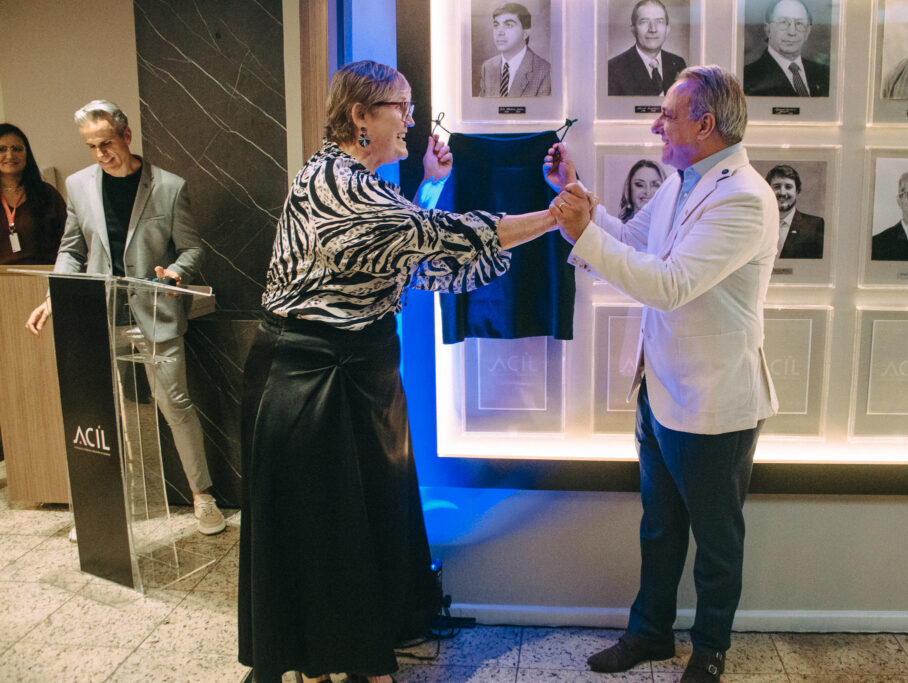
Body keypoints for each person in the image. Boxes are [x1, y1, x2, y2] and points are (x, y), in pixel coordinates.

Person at [238, 60, 559, 683]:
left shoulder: (362, 186)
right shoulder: (336, 183)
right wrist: (552, 217)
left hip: (357, 378)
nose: (412, 120)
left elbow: (405, 249)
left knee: (356, 525)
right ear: (360, 115)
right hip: (312, 383)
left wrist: (432, 183)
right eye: (402, 107)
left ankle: (346, 657)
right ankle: (325, 662)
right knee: (327, 530)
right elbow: (435, 238)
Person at [546, 65, 778, 682]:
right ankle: (650, 634)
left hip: (713, 400)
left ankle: (710, 651)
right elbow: (629, 239)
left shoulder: (744, 197)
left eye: (667, 115)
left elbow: (670, 285)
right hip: (659, 389)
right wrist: (580, 197)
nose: (656, 125)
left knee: (716, 543)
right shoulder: (680, 181)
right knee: (659, 528)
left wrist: (581, 232)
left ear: (705, 124)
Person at [25, 100, 225, 537]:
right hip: (99, 314)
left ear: (127, 135)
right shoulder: (78, 186)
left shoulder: (169, 187)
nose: (101, 154)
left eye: (107, 143)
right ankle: (107, 505)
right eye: (91, 146)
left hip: (154, 312)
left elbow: (191, 248)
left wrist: (176, 272)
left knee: (175, 405)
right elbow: (72, 249)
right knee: (101, 411)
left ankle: (202, 495)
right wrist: (55, 295)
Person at [0, 123, 66, 266]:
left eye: (17, 149)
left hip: (44, 275)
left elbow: (69, 243)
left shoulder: (47, 194)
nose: (10, 155)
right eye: (2, 149)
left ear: (27, 154)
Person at [743, 0, 829, 97]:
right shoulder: (748, 76)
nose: (792, 32)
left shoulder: (824, 73)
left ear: (807, 32)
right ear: (768, 30)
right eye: (783, 22)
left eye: (799, 23)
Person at [608, 0, 687, 97]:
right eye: (644, 22)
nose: (653, 29)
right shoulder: (613, 69)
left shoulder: (678, 63)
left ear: (667, 29)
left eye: (659, 22)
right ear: (633, 29)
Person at [478, 2, 552, 97]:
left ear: (525, 33)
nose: (499, 32)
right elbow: (483, 105)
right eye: (496, 25)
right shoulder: (488, 67)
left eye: (509, 25)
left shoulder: (545, 72)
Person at [765, 164, 824, 259]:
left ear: (797, 191)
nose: (782, 193)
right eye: (777, 187)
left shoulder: (815, 226)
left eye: (788, 187)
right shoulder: (757, 224)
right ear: (768, 190)